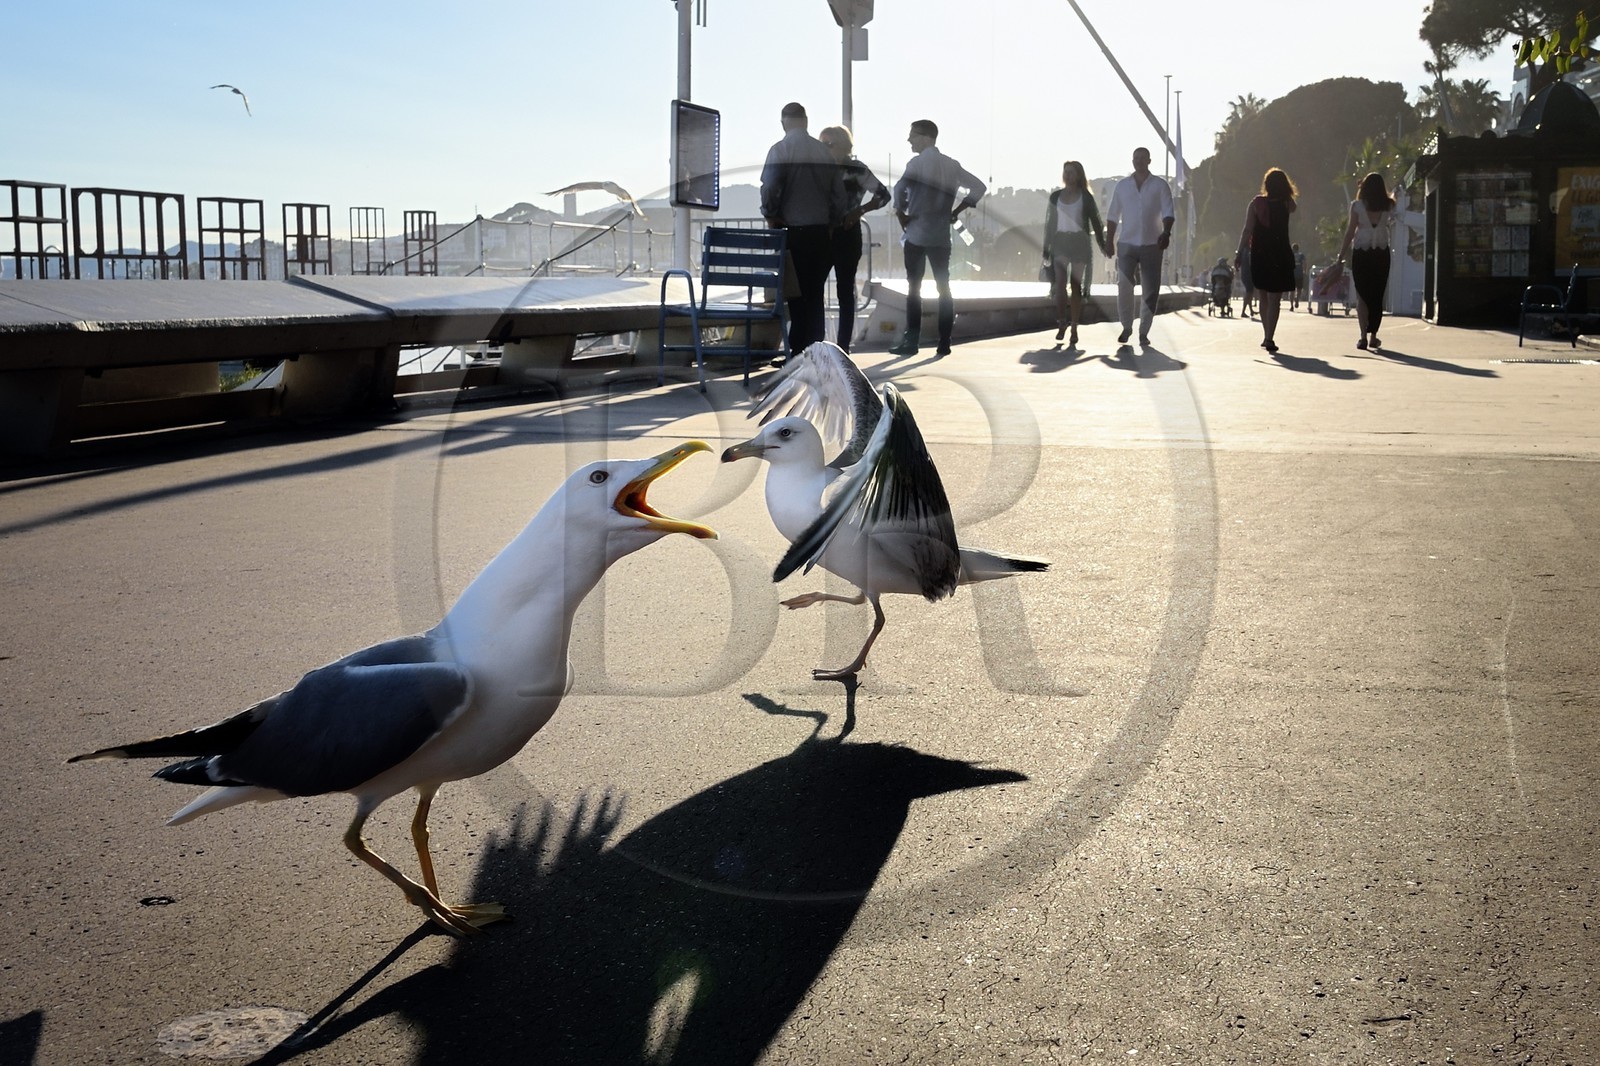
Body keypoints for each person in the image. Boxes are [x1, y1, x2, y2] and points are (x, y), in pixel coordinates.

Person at [890, 119, 986, 357]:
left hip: (916, 232)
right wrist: (956, 211)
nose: (909, 140)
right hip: (941, 234)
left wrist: (901, 213)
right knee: (944, 288)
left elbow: (899, 189)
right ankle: (944, 342)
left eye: (912, 135)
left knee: (914, 288)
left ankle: (911, 342)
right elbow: (978, 187)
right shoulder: (951, 165)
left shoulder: (916, 163)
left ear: (924, 137)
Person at [760, 102, 848, 354]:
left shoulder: (780, 150)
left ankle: (797, 354)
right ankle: (816, 351)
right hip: (821, 234)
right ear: (806, 121)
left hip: (794, 234)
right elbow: (839, 197)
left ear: (783, 122)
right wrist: (832, 222)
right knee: (815, 295)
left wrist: (771, 214)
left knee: (797, 298)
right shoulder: (823, 152)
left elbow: (769, 187)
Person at [818, 124, 890, 353]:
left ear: (842, 144)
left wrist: (859, 211)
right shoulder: (820, 168)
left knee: (845, 290)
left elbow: (883, 195)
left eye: (828, 143)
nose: (824, 148)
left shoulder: (856, 169)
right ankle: (818, 343)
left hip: (847, 234)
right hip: (822, 233)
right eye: (822, 143)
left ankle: (842, 346)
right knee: (815, 288)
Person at [1103, 146, 1174, 347]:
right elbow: (1112, 215)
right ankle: (1126, 326)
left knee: (1151, 289)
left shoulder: (1160, 185)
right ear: (1132, 161)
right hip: (1127, 243)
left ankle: (1144, 331)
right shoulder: (1123, 186)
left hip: (1153, 244)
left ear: (1149, 161)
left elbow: (1169, 211)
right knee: (1124, 286)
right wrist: (1109, 241)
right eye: (1136, 158)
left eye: (1143, 158)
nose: (1139, 161)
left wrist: (1166, 233)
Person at [1041, 160, 1108, 346]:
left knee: (1076, 286)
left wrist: (1104, 245)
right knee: (1060, 282)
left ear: (1079, 175)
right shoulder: (1055, 197)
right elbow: (1049, 224)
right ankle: (1062, 322)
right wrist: (1046, 249)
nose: (1068, 175)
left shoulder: (1086, 197)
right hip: (1061, 241)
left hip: (1079, 242)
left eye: (1071, 172)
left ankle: (1075, 327)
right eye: (1066, 172)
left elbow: (1096, 222)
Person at [1235, 167, 1298, 353]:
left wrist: (1239, 253)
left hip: (1260, 253)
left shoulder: (1256, 204)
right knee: (1275, 298)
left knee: (1262, 294)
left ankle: (1266, 335)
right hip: (1280, 252)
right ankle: (1270, 335)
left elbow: (1247, 230)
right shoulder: (1287, 203)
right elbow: (1294, 207)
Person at [1337, 172, 1399, 351]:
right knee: (1377, 294)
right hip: (1381, 253)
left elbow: (1350, 232)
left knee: (1362, 294)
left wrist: (1340, 255)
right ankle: (1373, 335)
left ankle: (1363, 336)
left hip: (1361, 254)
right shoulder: (1389, 205)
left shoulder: (1356, 206)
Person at [1291, 243, 1307, 311]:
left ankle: (1291, 305)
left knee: (1291, 291)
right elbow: (1304, 263)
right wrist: (1304, 271)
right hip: (1299, 274)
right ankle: (1297, 299)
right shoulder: (1301, 255)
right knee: (1299, 289)